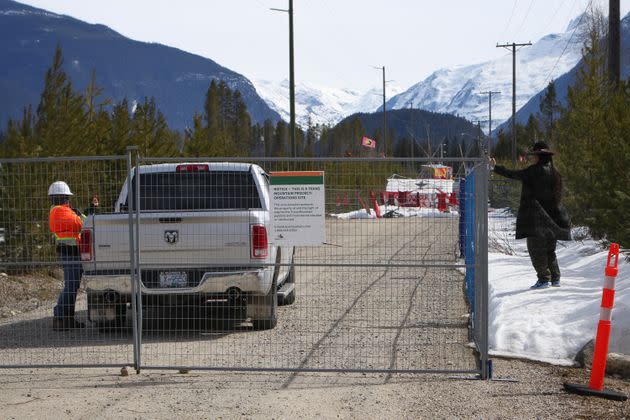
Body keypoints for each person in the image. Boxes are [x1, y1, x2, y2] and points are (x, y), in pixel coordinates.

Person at [490, 141, 571, 289]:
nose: (532, 158)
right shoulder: (556, 174)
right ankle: (555, 278)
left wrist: (495, 167)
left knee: (535, 248)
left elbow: (513, 174)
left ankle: (543, 279)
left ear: (539, 156)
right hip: (553, 218)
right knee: (549, 250)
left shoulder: (534, 171)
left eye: (534, 155)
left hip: (536, 218)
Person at [48, 181, 86, 330]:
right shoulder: (58, 211)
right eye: (64, 197)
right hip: (68, 252)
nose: (66, 200)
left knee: (74, 286)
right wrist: (81, 217)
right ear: (57, 198)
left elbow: (85, 220)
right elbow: (80, 224)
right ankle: (60, 316)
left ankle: (68, 318)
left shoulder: (68, 210)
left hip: (75, 251)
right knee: (70, 286)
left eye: (66, 197)